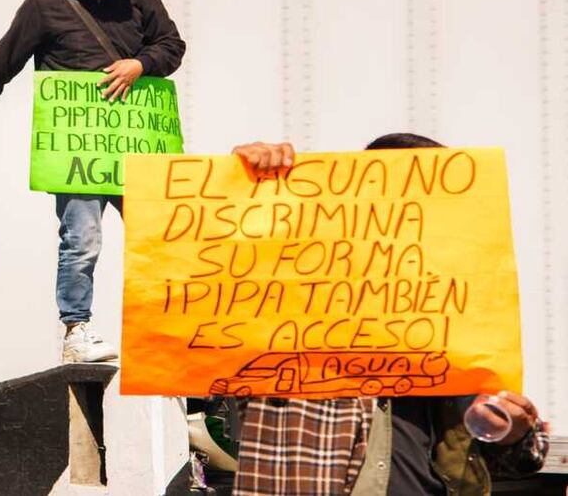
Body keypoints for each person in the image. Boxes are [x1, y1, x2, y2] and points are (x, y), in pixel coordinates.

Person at [228, 136, 549, 496]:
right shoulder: (285, 303)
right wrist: (243, 188)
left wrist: (513, 430)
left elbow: (521, 459)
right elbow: (211, 279)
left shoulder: (456, 320)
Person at [0, 0, 186, 363]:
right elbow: (2, 62)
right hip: (78, 152)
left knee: (159, 238)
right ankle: (77, 331)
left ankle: (162, 327)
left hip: (136, 145)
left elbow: (172, 46)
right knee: (82, 240)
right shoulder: (44, 7)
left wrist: (140, 64)